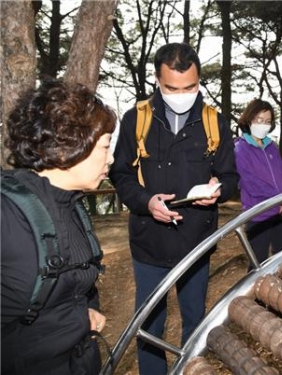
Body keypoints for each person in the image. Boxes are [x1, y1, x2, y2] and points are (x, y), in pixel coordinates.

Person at [109, 43, 238, 375]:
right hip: (148, 241)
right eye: (172, 88)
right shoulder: (135, 119)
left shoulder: (214, 122)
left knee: (195, 318)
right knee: (149, 323)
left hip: (196, 240)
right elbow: (120, 174)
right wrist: (145, 201)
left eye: (191, 87)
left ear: (198, 80)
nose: (182, 95)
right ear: (156, 80)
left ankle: (189, 369)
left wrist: (218, 192)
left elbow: (230, 177)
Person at [1, 79, 115, 374]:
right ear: (68, 147)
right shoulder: (7, 214)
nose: (111, 158)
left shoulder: (72, 205)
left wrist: (86, 311)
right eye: (105, 147)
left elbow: (74, 287)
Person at [234, 99, 282, 269]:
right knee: (257, 264)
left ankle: (279, 294)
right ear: (249, 119)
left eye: (267, 121)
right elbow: (251, 183)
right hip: (259, 214)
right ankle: (253, 296)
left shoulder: (271, 147)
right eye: (259, 120)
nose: (264, 125)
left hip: (281, 214)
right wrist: (280, 200)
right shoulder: (241, 149)